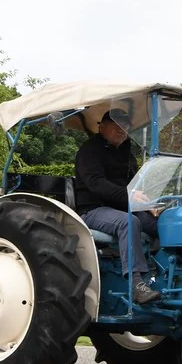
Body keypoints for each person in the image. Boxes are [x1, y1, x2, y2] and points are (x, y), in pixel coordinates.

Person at [75, 109, 162, 304]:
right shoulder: (90, 150)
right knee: (128, 223)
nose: (122, 130)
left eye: (126, 126)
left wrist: (149, 204)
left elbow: (136, 186)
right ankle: (136, 283)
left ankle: (165, 275)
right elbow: (95, 184)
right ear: (102, 127)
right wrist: (130, 196)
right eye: (116, 126)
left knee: (160, 223)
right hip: (92, 209)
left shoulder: (126, 153)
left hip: (120, 207)